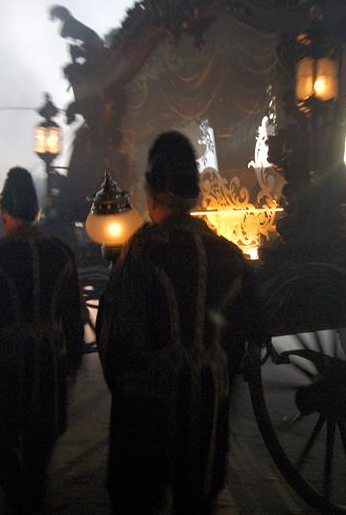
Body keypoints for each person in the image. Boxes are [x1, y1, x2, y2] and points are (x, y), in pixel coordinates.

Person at [97, 131, 257, 514]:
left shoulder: (141, 251)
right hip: (205, 405)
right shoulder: (230, 256)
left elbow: (112, 341)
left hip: (146, 411)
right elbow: (244, 336)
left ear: (152, 194)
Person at [0, 167, 85, 511]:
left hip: (1, 371)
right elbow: (74, 322)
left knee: (0, 446)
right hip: (48, 368)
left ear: (4, 212)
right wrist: (72, 368)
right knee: (39, 451)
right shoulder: (60, 253)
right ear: (36, 211)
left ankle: (21, 500)